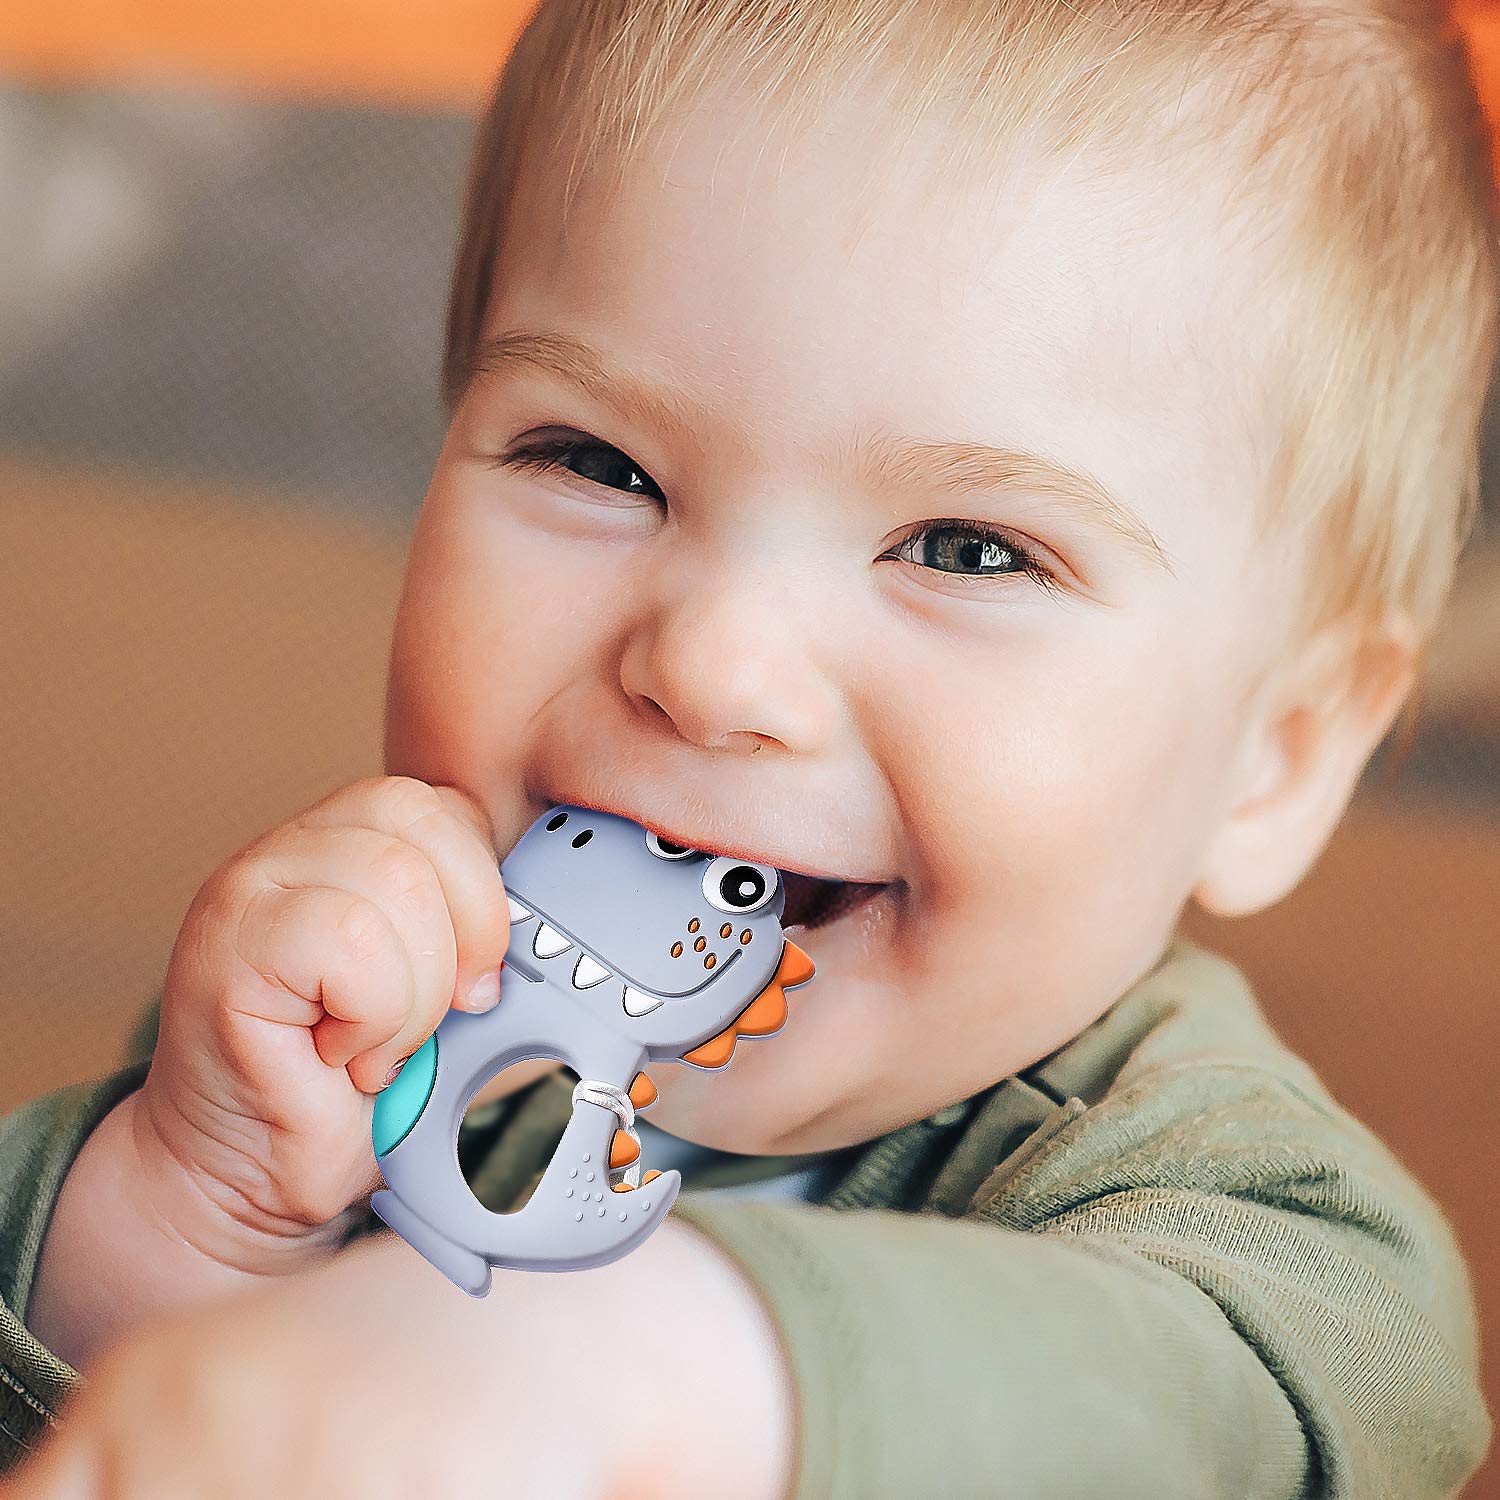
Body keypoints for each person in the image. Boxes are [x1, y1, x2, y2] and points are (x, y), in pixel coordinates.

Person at [1, 0, 1495, 1494]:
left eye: (967, 550)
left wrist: (667, 1367)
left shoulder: (1271, 1244)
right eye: (601, 462)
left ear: (1277, 756)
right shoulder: (372, 1045)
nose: (712, 668)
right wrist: (188, 1217)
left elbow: (1202, 1421)